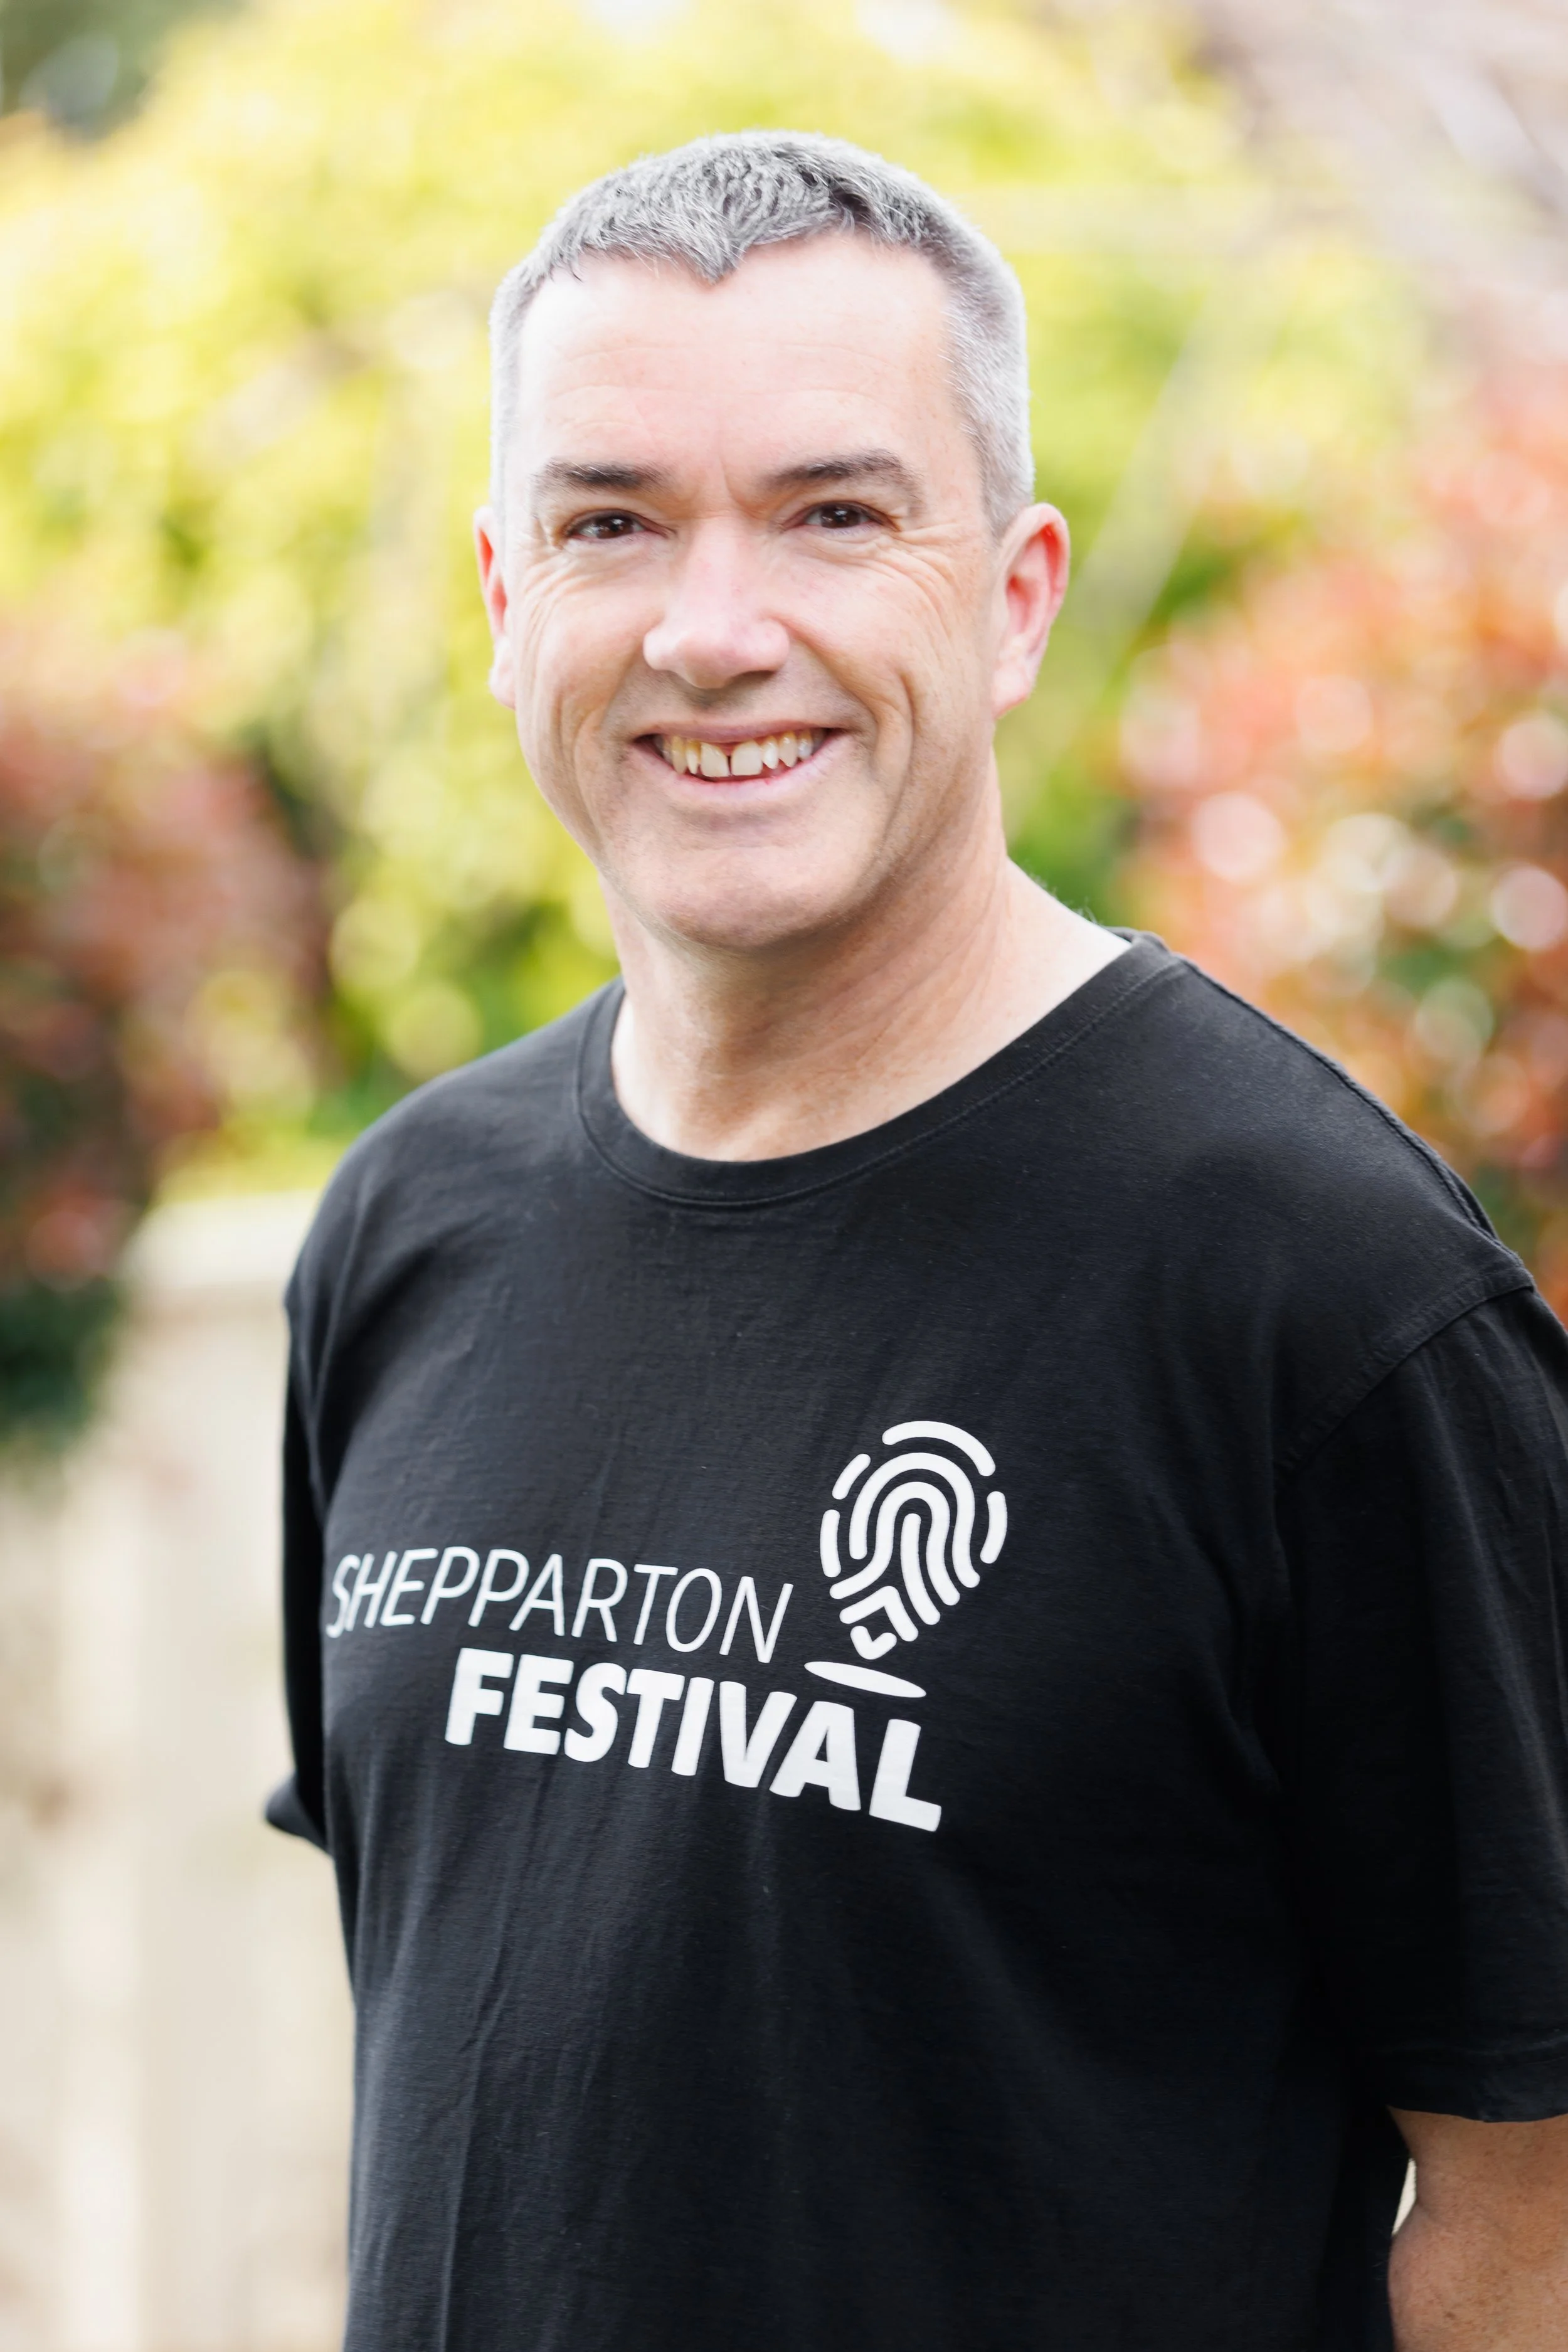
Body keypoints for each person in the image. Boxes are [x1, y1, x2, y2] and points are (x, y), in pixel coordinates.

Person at [268, 133, 1568, 2352]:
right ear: (504, 598)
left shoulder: (1318, 1290)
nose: (711, 628)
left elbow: (1532, 2198)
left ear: (1018, 593)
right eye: (610, 522)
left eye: (834, 512)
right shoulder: (406, 1229)